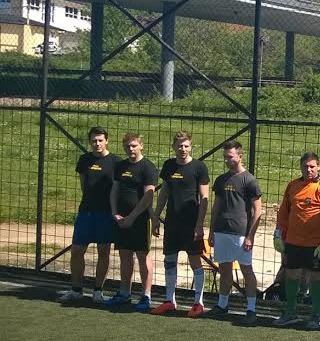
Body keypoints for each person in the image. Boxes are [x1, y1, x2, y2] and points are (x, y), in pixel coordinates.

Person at [273, 152, 320, 329]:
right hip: (293, 241)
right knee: (291, 274)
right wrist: (278, 234)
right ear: (300, 167)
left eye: (312, 166)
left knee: (316, 276)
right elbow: (284, 211)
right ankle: (290, 312)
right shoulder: (292, 186)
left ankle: (315, 316)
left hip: (317, 244)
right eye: (305, 166)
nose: (308, 170)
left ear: (318, 166)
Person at [151, 131, 210, 317]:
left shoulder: (199, 167)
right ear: (173, 147)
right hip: (172, 223)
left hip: (191, 223)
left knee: (195, 261)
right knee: (169, 260)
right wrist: (156, 216)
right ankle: (170, 300)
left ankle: (198, 303)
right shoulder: (169, 165)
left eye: (186, 146)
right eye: (179, 146)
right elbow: (164, 192)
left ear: (191, 147)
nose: (182, 149)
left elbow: (205, 197)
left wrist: (199, 224)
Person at [59, 127, 120, 304]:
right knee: (77, 250)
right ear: (90, 142)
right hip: (86, 212)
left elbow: (117, 188)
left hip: (106, 213)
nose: (97, 143)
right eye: (94, 140)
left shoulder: (116, 162)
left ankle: (98, 291)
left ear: (107, 141)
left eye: (100, 140)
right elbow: (83, 185)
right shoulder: (84, 160)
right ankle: (76, 290)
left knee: (104, 250)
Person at [206, 140, 263, 325]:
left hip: (241, 233)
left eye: (230, 157)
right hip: (222, 231)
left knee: (246, 270)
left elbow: (258, 210)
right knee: (224, 269)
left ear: (240, 156)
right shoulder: (221, 180)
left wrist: (250, 236)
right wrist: (212, 230)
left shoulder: (249, 180)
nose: (226, 160)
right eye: (224, 157)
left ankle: (251, 309)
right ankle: (222, 305)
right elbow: (216, 207)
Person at [105, 133, 157, 310]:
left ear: (141, 145)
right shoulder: (120, 166)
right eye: (127, 146)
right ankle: (124, 293)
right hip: (121, 219)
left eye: (134, 145)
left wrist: (132, 217)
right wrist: (114, 213)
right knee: (125, 255)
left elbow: (148, 196)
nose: (131, 149)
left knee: (143, 257)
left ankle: (146, 296)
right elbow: (114, 190)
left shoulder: (148, 167)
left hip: (140, 220)